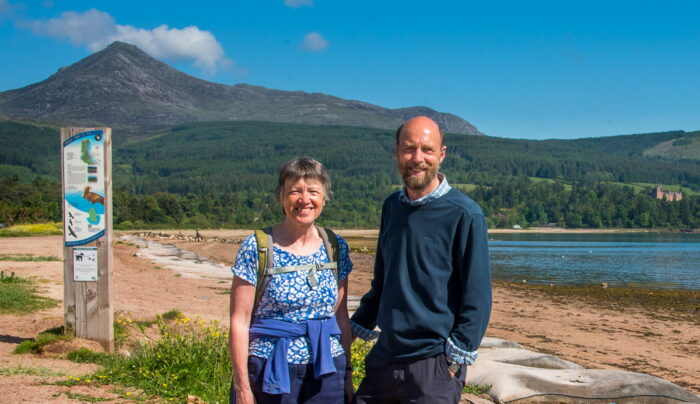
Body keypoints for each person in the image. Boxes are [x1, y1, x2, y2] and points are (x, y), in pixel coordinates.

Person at [351, 116, 492, 404]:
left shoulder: (465, 214)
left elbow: (477, 296)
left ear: (441, 154)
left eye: (427, 149)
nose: (417, 158)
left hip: (433, 364)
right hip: (385, 357)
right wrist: (352, 330)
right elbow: (383, 280)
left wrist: (454, 358)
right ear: (396, 152)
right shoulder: (392, 206)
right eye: (409, 149)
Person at [229, 157, 354, 404]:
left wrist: (347, 375)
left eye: (313, 192)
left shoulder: (335, 246)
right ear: (281, 197)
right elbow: (239, 321)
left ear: (324, 198)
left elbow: (340, 317)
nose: (304, 200)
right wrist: (242, 387)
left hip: (327, 369)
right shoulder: (257, 247)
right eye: (295, 191)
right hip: (269, 366)